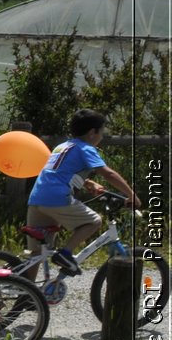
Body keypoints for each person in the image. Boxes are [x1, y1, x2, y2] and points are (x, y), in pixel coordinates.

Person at [27, 108, 142, 274]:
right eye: (101, 132)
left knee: (37, 253)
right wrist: (132, 195)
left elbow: (59, 172)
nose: (102, 136)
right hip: (57, 199)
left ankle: (26, 294)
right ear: (92, 132)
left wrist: (87, 183)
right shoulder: (86, 148)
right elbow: (108, 174)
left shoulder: (62, 147)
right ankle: (66, 253)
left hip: (37, 198)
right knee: (94, 221)